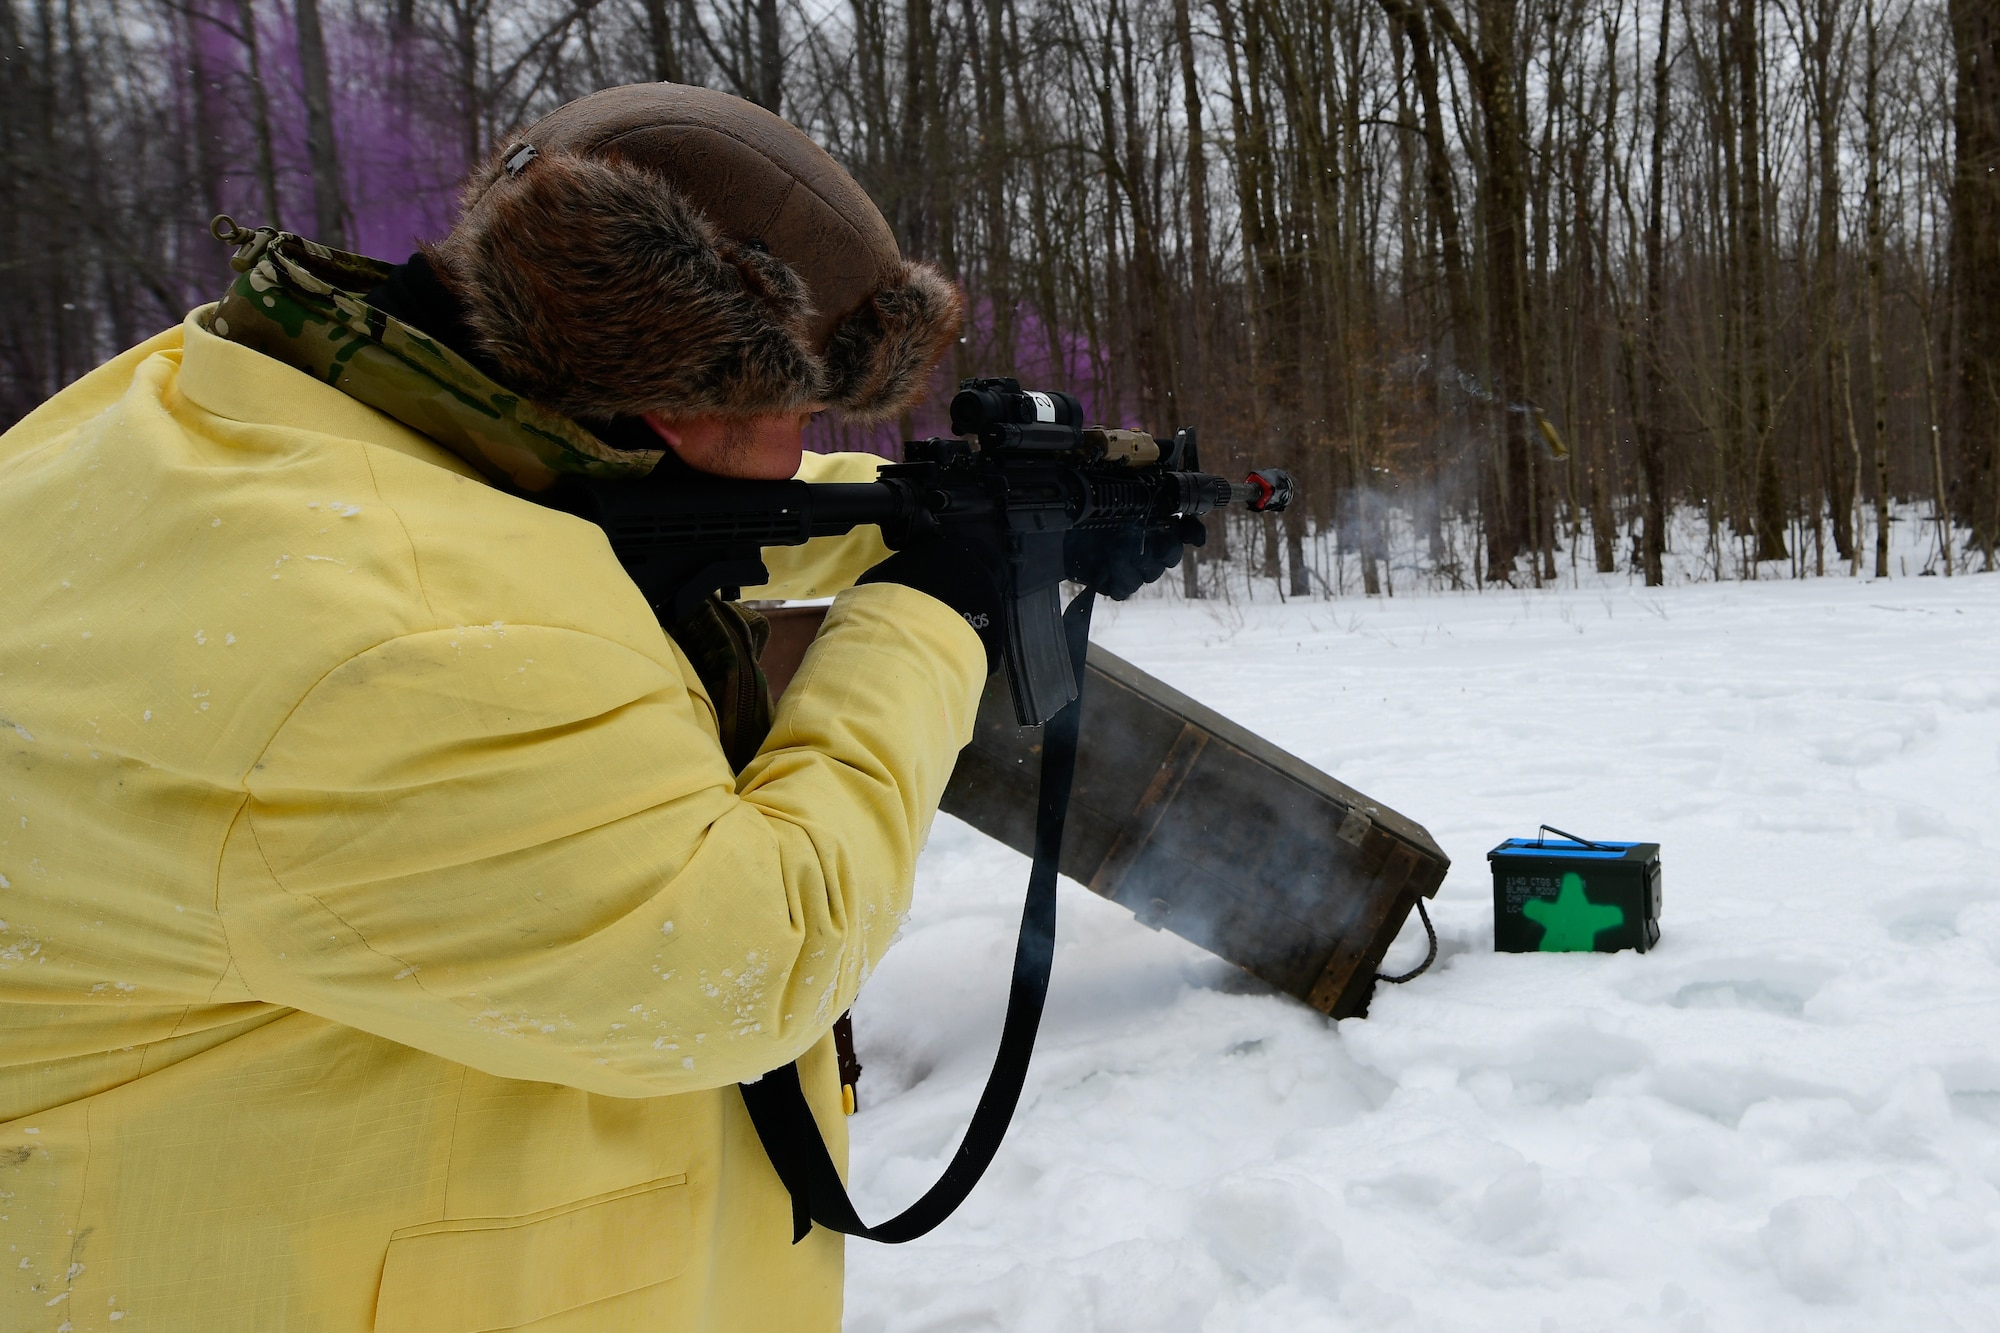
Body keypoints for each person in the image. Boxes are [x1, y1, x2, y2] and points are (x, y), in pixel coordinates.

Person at [0, 83, 1150, 1329]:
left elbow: (614, 511)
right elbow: (753, 959)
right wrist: (934, 608)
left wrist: (921, 510)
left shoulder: (218, 407)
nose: (804, 442)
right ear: (679, 400)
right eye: (801, 410)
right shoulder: (416, 644)